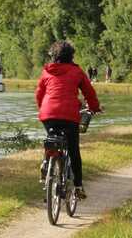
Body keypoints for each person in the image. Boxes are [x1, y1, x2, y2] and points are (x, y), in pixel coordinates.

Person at [36, 40, 101, 200]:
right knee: (73, 150)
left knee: (52, 138)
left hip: (48, 114)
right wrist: (94, 107)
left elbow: (39, 94)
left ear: (54, 56)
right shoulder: (77, 72)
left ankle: (47, 163)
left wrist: (43, 109)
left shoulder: (46, 72)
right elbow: (89, 93)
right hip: (70, 115)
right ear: (71, 56)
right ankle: (78, 186)